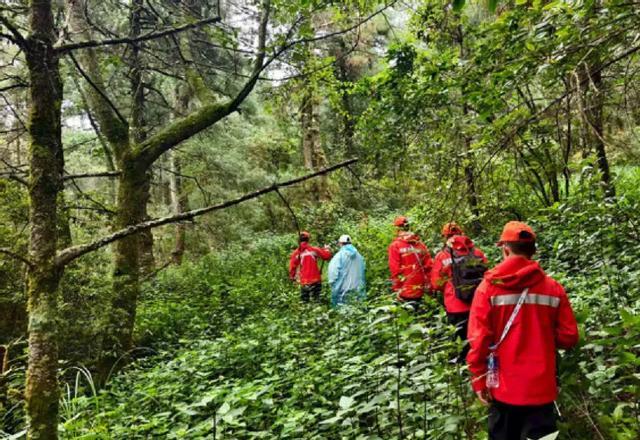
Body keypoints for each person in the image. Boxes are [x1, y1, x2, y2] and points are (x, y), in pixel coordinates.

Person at [467, 221, 579, 440]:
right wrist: (540, 335)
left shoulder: (487, 289)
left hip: (503, 389)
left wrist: (479, 379)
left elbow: (479, 340)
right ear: (533, 251)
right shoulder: (553, 288)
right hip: (541, 389)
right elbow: (569, 337)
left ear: (505, 249)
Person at [431, 222, 487, 362]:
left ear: (445, 237)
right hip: (477, 303)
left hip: (455, 306)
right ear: (461, 233)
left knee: (459, 342)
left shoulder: (442, 256)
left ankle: (462, 367)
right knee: (478, 338)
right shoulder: (477, 253)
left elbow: (436, 284)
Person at [388, 216, 432, 307]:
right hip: (421, 288)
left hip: (405, 289)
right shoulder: (420, 244)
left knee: (408, 314)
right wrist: (429, 286)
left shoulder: (395, 246)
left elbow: (395, 270)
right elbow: (429, 266)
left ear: (397, 229)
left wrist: (396, 289)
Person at [289, 231, 332, 302]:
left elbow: (292, 267)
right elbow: (326, 256)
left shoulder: (296, 253)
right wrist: (327, 249)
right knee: (316, 300)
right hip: (316, 280)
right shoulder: (314, 249)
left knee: (304, 302)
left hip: (304, 281)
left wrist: (292, 277)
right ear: (308, 240)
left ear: (299, 240)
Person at [328, 235, 366, 307]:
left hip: (343, 289)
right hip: (358, 288)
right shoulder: (359, 256)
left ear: (340, 243)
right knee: (357, 307)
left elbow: (333, 272)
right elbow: (363, 269)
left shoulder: (339, 256)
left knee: (343, 309)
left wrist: (333, 285)